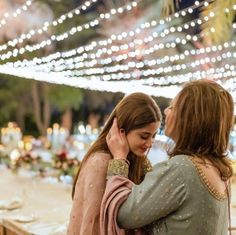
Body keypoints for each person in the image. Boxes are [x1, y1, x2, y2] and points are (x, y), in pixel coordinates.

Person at [102, 79, 234, 235]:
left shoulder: (182, 169)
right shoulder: (219, 170)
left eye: (172, 107)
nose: (165, 111)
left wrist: (119, 158)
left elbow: (123, 214)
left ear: (190, 118)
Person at [67, 92, 162, 235]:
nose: (149, 144)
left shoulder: (140, 161)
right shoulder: (100, 162)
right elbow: (94, 226)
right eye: (144, 136)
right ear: (121, 131)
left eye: (153, 136)